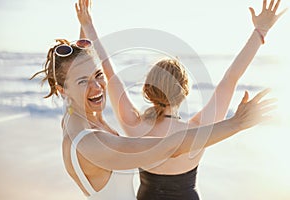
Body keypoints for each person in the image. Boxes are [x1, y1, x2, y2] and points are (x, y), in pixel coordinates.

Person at [75, 0, 285, 199]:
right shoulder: (198, 130)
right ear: (185, 91)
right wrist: (260, 32)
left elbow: (110, 73)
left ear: (148, 90)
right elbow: (230, 78)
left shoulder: (135, 125)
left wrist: (88, 26)